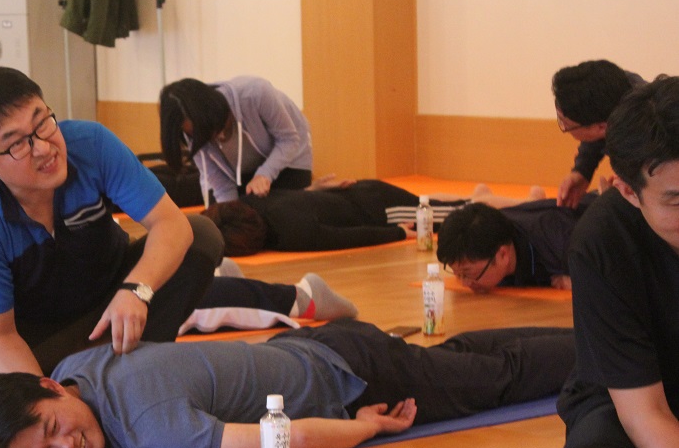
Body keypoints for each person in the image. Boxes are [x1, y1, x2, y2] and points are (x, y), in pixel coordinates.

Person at [0, 317, 575, 448]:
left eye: (52, 429)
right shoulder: (78, 367)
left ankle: (606, 347)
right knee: (464, 359)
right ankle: (587, 334)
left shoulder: (154, 431)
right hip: (312, 345)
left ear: (49, 387)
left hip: (354, 377)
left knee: (499, 380)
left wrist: (368, 427)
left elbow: (285, 441)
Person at [0, 66, 226, 385]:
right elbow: (0, 337)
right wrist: (54, 404)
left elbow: (171, 224)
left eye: (42, 123)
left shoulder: (90, 143)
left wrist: (137, 290)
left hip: (113, 300)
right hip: (40, 336)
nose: (44, 148)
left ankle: (128, 371)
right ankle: (98, 381)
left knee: (201, 235)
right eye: (18, 144)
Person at [549, 75, 679, 448]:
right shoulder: (602, 242)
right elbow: (645, 413)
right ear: (627, 191)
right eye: (676, 201)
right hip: (634, 400)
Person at [202, 179, 468, 256]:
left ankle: (487, 202)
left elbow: (345, 238)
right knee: (431, 202)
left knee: (460, 216)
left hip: (380, 210)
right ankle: (477, 196)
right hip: (358, 194)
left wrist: (396, 232)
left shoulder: (291, 233)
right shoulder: (250, 202)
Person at [159, 76, 312, 205]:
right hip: (244, 170)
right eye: (193, 134)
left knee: (269, 210)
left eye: (204, 130)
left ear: (211, 113)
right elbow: (223, 187)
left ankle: (312, 191)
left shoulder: (255, 93)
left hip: (291, 158)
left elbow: (288, 140)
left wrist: (265, 174)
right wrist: (230, 217)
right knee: (238, 212)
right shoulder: (191, 133)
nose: (203, 137)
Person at [436, 196, 596, 293]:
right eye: (457, 274)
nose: (464, 284)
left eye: (467, 274)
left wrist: (583, 281)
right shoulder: (492, 232)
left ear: (503, 255)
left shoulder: (562, 242)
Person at [552, 59, 645, 208]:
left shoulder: (647, 142)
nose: (564, 128)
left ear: (602, 128)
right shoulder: (618, 89)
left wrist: (616, 198)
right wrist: (582, 171)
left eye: (565, 125)